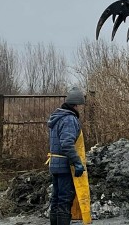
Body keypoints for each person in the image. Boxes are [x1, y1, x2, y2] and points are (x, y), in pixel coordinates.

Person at [47, 87, 86, 225]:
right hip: (64, 165)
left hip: (54, 163)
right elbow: (67, 144)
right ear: (75, 105)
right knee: (64, 199)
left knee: (56, 198)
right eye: (79, 106)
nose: (79, 108)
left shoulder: (57, 118)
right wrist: (77, 162)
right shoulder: (69, 119)